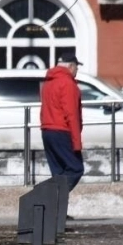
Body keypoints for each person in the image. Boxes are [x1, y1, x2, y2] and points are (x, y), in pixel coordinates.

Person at [40, 51, 85, 217]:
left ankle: (56, 214)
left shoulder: (48, 82)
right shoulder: (67, 84)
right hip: (62, 131)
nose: (76, 72)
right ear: (71, 66)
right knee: (75, 169)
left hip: (47, 130)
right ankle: (50, 200)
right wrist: (76, 142)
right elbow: (71, 114)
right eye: (76, 68)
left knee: (58, 172)